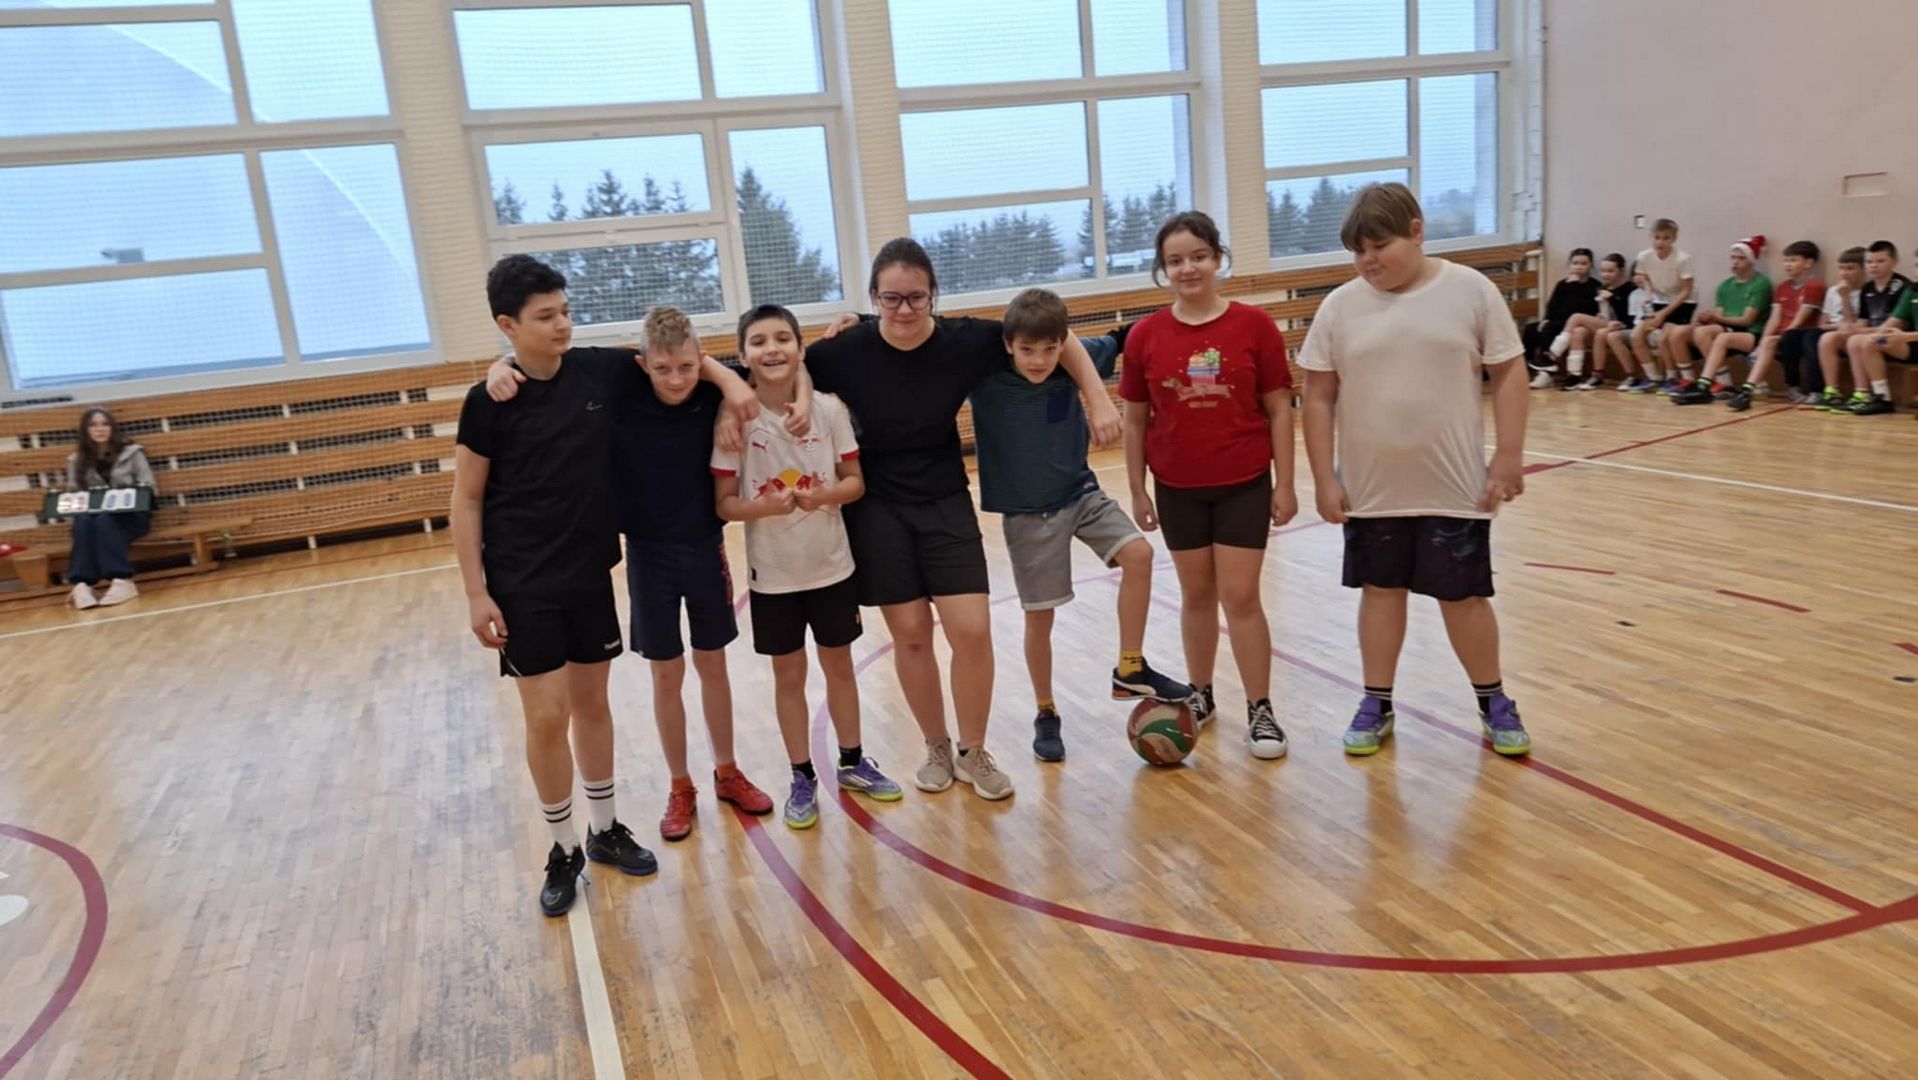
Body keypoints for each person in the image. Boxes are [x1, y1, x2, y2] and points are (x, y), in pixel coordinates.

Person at [806, 238, 1122, 801]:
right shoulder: (845, 350)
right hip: (877, 506)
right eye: (891, 298)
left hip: (945, 498)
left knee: (972, 631)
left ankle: (972, 751)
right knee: (911, 636)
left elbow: (1054, 331)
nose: (904, 309)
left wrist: (1097, 397)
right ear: (874, 297)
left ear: (934, 295)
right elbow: (779, 368)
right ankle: (936, 746)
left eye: (916, 297)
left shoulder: (966, 340)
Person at [487, 306, 780, 841]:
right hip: (648, 556)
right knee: (666, 675)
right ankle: (679, 784)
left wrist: (724, 385)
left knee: (713, 665)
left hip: (705, 548)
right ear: (643, 364)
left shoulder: (712, 389)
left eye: (687, 367)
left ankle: (727, 770)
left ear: (700, 360)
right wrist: (499, 364)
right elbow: (545, 359)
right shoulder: (620, 387)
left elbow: (765, 375)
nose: (676, 379)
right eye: (663, 368)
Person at [455, 255, 667, 916]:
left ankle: (604, 830)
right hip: (522, 582)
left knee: (593, 704)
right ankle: (562, 845)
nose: (562, 325)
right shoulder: (487, 403)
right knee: (547, 715)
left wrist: (731, 381)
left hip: (589, 574)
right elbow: (466, 499)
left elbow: (670, 359)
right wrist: (476, 593)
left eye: (566, 312)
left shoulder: (598, 372)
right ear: (508, 325)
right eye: (545, 316)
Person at [1298, 182, 1532, 759]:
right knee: (1380, 593)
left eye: (1380, 246)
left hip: (1454, 489)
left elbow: (1508, 372)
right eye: (1359, 251)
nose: (1369, 260)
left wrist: (1508, 453)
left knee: (1464, 598)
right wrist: (1324, 478)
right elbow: (1318, 396)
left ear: (1417, 231)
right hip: (1372, 491)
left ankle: (1494, 701)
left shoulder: (1470, 290)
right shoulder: (1340, 307)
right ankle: (1376, 702)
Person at [968, 288, 1191, 763]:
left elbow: (1123, 336)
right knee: (1040, 618)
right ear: (1009, 345)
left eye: (1050, 349)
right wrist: (860, 317)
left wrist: (1183, 312)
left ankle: (1130, 667)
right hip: (1028, 513)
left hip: (1081, 494)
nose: (1039, 360)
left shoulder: (1075, 359)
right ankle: (1046, 710)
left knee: (1140, 554)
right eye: (1027, 349)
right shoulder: (985, 373)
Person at [712, 304, 901, 828]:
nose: (771, 349)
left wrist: (824, 496)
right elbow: (724, 504)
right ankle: (801, 775)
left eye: (782, 339)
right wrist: (763, 508)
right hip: (773, 577)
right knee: (788, 676)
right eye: (758, 341)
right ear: (743, 355)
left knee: (840, 667)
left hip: (832, 568)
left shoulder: (829, 410)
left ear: (800, 348)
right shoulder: (733, 421)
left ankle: (852, 761)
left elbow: (854, 483)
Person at [1120, 211, 1298, 760]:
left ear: (1218, 258)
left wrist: (1286, 484)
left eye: (1198, 256)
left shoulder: (1254, 326)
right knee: (1197, 595)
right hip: (1177, 487)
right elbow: (1134, 420)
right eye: (1175, 260)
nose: (1188, 268)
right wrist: (1138, 489)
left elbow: (1279, 408)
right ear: (1163, 269)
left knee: (1241, 597)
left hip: (1244, 482)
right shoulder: (1145, 335)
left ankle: (1261, 709)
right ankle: (1201, 695)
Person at [63, 407, 154, 610]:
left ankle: (121, 580)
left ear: (113, 427)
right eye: (93, 425)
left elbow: (149, 487)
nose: (100, 429)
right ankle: (82, 584)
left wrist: (123, 497)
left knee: (105, 519)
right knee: (83, 521)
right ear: (85, 430)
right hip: (94, 516)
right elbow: (74, 495)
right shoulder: (76, 460)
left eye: (105, 424)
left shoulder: (132, 453)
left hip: (131, 516)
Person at [1719, 241, 1825, 410]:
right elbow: (1774, 319)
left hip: (1802, 335)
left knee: (1775, 341)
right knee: (1767, 342)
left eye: (1793, 260)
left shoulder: (1814, 286)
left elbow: (1799, 320)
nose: (1788, 264)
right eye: (1786, 260)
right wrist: (1761, 344)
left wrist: (1775, 339)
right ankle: (1748, 390)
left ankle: (1752, 390)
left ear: (1808, 263)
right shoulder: (1782, 287)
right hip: (1783, 337)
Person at [1669, 237, 1772, 405]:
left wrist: (1716, 319)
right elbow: (1720, 318)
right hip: (1727, 328)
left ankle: (1724, 383)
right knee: (1678, 332)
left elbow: (1747, 320)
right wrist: (1707, 319)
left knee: (1705, 333)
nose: (1735, 262)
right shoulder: (1725, 286)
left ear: (1751, 261)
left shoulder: (1761, 284)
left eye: (1741, 258)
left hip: (1751, 332)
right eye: (1733, 258)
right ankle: (1690, 381)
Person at [1839, 241, 1914, 415]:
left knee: (1868, 341)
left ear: (1894, 261)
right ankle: (1865, 395)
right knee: (1859, 341)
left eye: (1880, 261)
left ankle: (1882, 398)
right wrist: (1852, 328)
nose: (1874, 266)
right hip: (1895, 339)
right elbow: (1866, 323)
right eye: (1869, 262)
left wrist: (1859, 331)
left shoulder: (1902, 286)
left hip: (1908, 340)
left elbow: (1894, 326)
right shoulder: (1912, 290)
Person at [1625, 218, 1695, 393]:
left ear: (1674, 239)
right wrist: (1648, 294)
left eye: (1666, 238)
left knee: (1664, 338)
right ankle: (1653, 377)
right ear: (1651, 237)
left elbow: (1686, 291)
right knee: (1636, 335)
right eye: (1657, 237)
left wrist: (1663, 313)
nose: (1660, 242)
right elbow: (1643, 278)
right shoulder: (1644, 257)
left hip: (1682, 302)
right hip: (1659, 300)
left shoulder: (1682, 259)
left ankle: (1671, 378)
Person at [1523, 248, 1600, 388]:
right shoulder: (1562, 284)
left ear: (1590, 266)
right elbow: (1552, 304)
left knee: (1549, 329)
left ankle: (1547, 368)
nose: (1579, 267)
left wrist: (1575, 286)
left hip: (1575, 323)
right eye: (1575, 263)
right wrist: (1546, 318)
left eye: (1583, 263)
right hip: (1558, 320)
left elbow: (1585, 309)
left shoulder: (1594, 286)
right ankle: (1525, 367)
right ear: (1570, 264)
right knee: (1531, 329)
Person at [1803, 247, 1868, 410]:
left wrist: (1845, 297)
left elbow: (1853, 323)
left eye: (1850, 268)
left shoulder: (1866, 292)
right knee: (1793, 337)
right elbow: (1822, 322)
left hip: (1851, 332)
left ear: (1863, 269)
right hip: (1834, 328)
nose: (1844, 273)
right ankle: (1797, 388)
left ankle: (1818, 390)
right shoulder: (1833, 291)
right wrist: (1836, 326)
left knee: (1813, 338)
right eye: (1841, 268)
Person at [1560, 252, 1634, 390]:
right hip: (1606, 324)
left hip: (1623, 325)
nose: (1605, 275)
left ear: (1621, 271)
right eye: (1603, 271)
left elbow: (1630, 315)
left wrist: (1612, 298)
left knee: (1577, 317)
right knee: (1579, 331)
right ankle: (1580, 375)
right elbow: (1602, 313)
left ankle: (1554, 352)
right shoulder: (1601, 288)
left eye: (1610, 271)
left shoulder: (1629, 288)